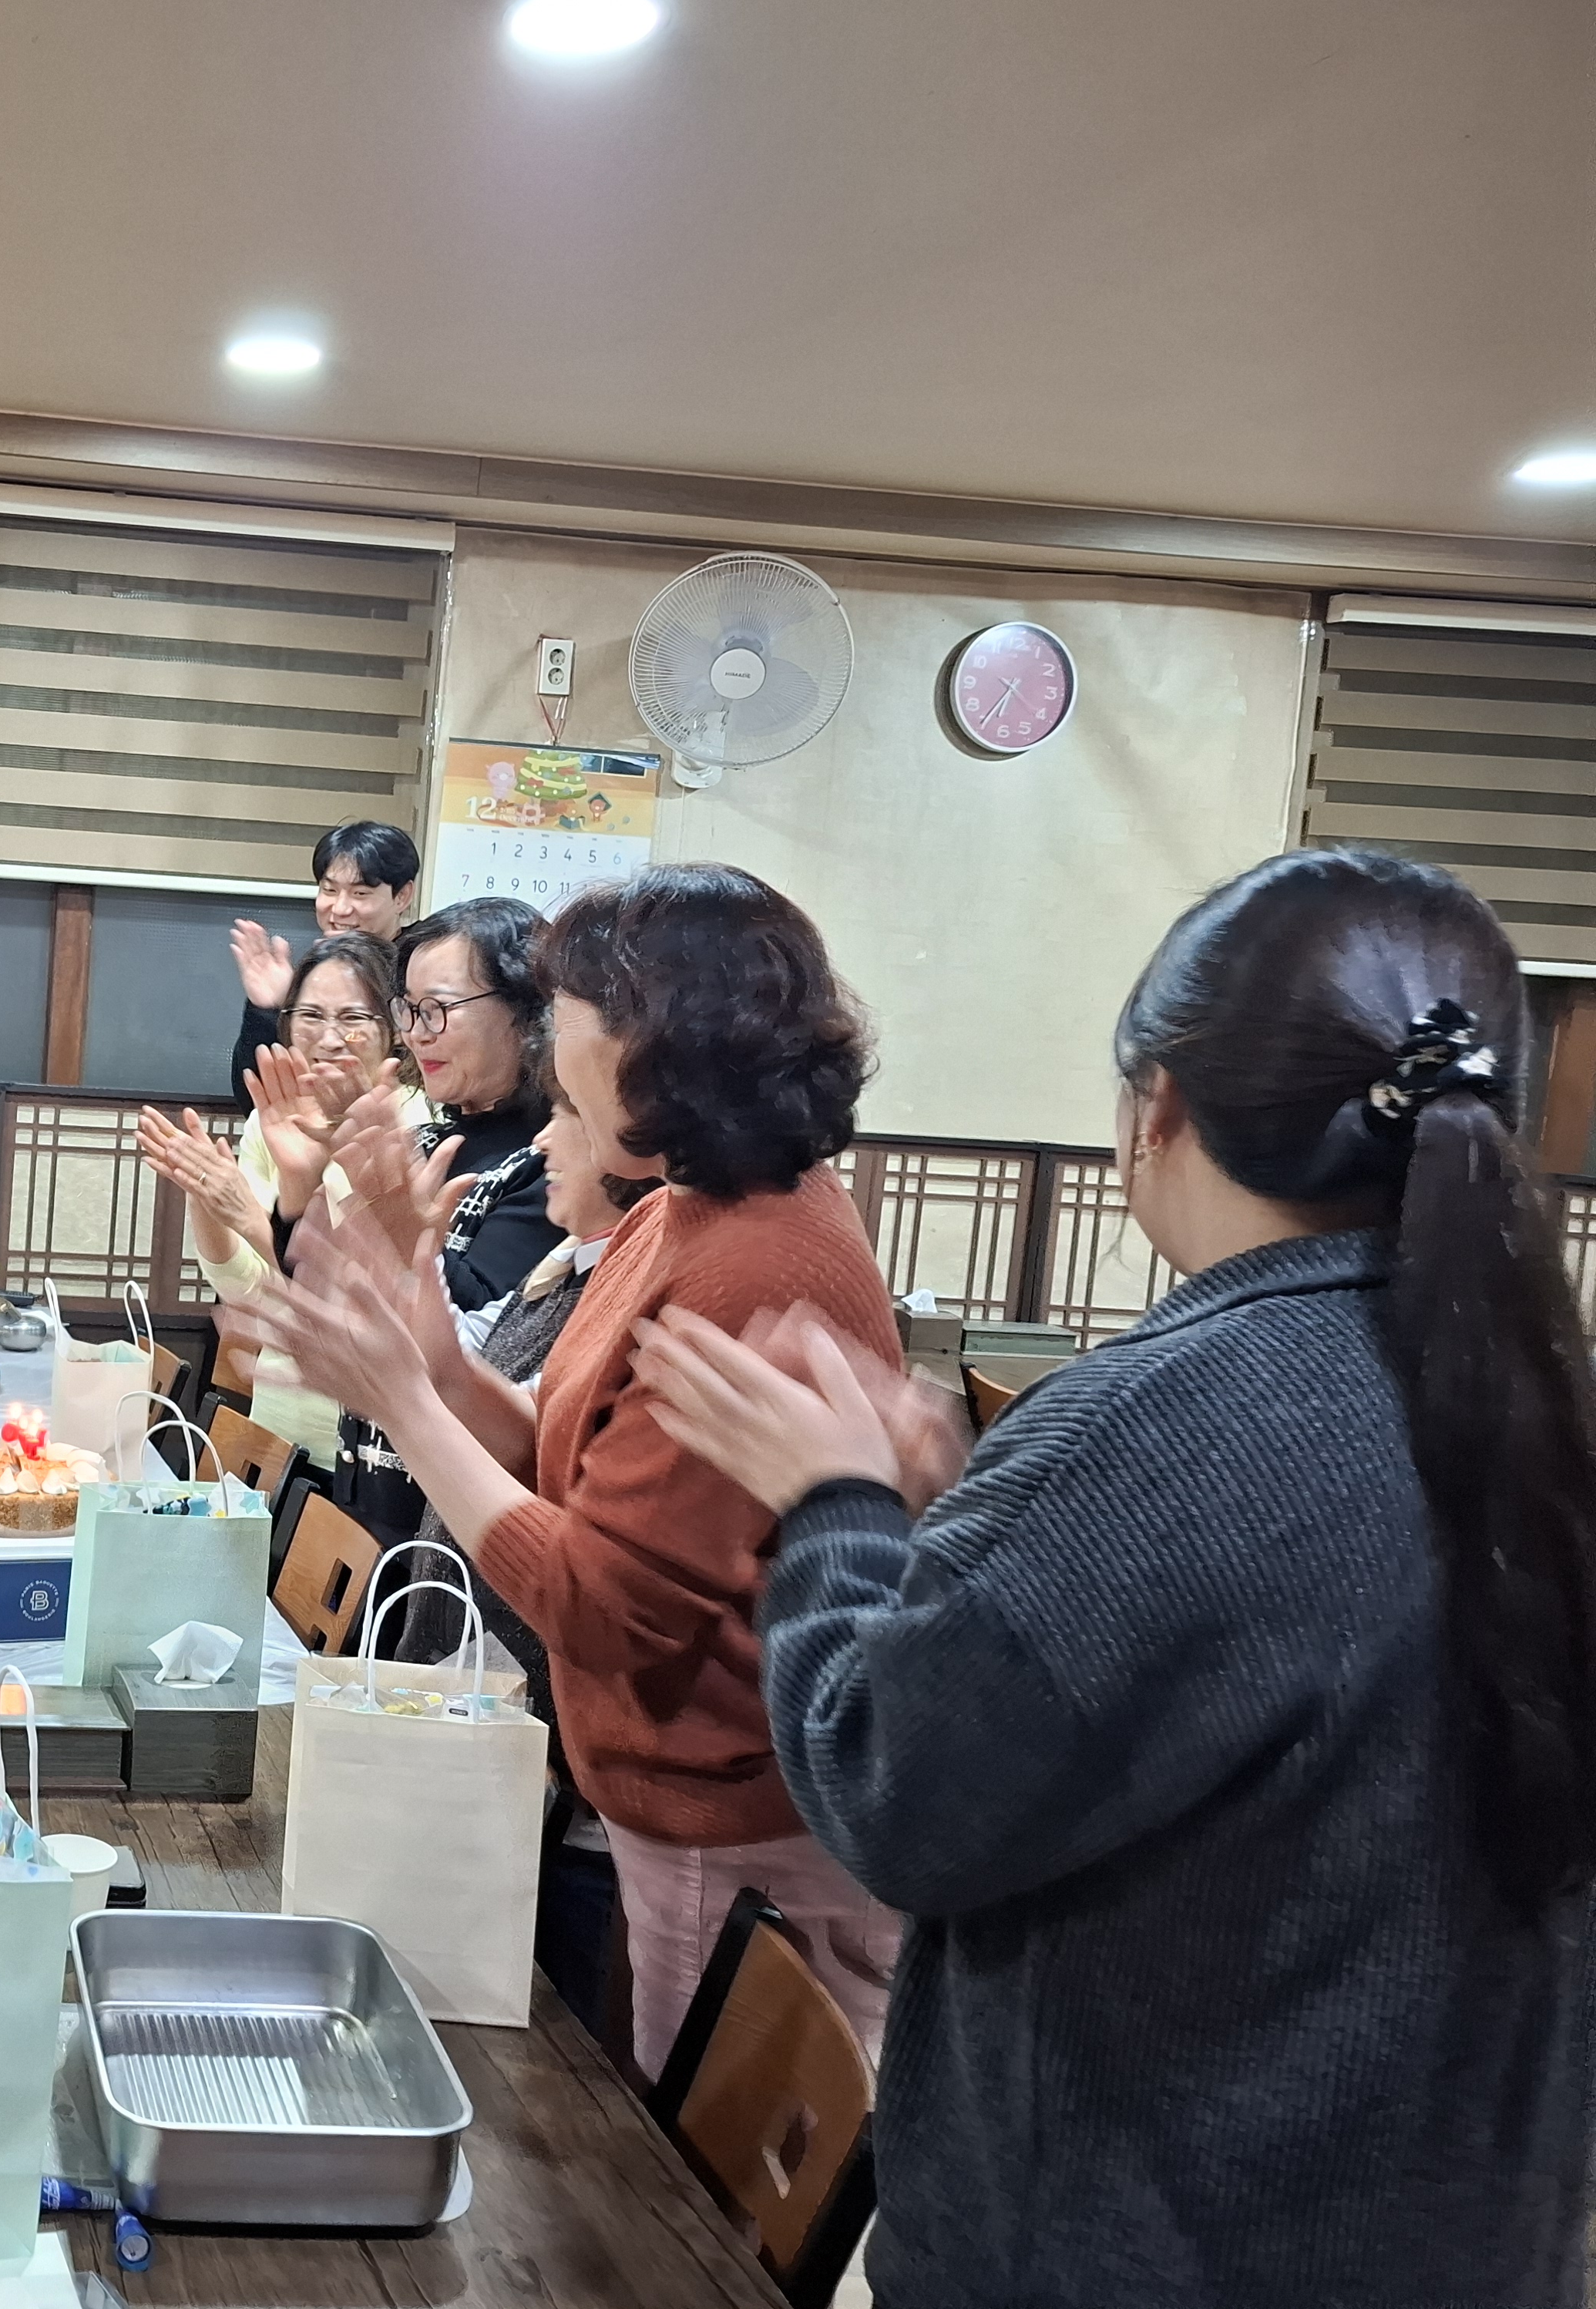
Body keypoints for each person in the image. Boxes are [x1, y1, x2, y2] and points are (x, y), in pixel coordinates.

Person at [631, 849, 1596, 2309]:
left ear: (1160, 1110)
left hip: (1153, 2246)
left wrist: (833, 1510)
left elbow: (896, 1792)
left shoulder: (1165, 1416)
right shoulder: (1531, 1408)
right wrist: (964, 1521)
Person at [236, 864, 902, 2072]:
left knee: (647, 2176)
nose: (554, 1045)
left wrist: (406, 1404)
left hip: (725, 1822)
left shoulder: (760, 1259)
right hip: (646, 1797)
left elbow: (605, 1604)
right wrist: (431, 1355)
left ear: (657, 1036)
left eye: (571, 1011)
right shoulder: (678, 1206)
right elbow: (557, 1445)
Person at [391, 1082, 662, 2035]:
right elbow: (469, 1385)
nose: (543, 1138)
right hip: (479, 1708)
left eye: (569, 1113)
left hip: (554, 1768)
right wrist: (410, 1271)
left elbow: (532, 1461)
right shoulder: (566, 1268)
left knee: (541, 2035)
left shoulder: (638, 1289)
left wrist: (404, 1391)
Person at [286, 895, 559, 1543]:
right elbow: (335, 1298)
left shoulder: (551, 1162)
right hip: (369, 1486)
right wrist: (300, 1191)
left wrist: (398, 1233)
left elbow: (485, 1345)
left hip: (452, 1520)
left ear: (527, 1013)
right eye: (407, 1010)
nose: (415, 1032)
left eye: (437, 1008)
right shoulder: (427, 1140)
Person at [135, 930, 428, 1459]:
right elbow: (246, 1289)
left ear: (395, 1030)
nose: (330, 1038)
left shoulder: (412, 1126)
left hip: (370, 1440)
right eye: (310, 1016)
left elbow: (374, 1292)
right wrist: (206, 1197)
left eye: (353, 1019)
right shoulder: (272, 1121)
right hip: (277, 1422)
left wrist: (258, 1221)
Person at [224, 819, 420, 1101]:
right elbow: (258, 1100)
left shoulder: (421, 972)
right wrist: (270, 1011)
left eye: (360, 893)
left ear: (402, 896)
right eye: (329, 890)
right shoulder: (316, 970)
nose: (339, 908)